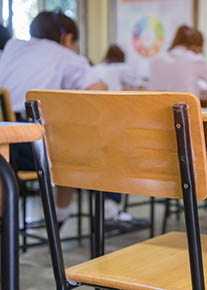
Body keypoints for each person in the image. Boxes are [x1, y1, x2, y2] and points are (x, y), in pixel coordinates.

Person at [0, 11, 134, 228]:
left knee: (65, 136)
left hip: (5, 148)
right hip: (32, 149)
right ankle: (107, 212)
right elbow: (100, 92)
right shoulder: (64, 56)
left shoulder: (11, 49)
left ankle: (61, 214)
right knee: (103, 140)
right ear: (67, 38)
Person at [148, 25, 207, 96]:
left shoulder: (156, 59)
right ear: (197, 47)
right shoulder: (195, 60)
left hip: (154, 114)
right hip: (182, 114)